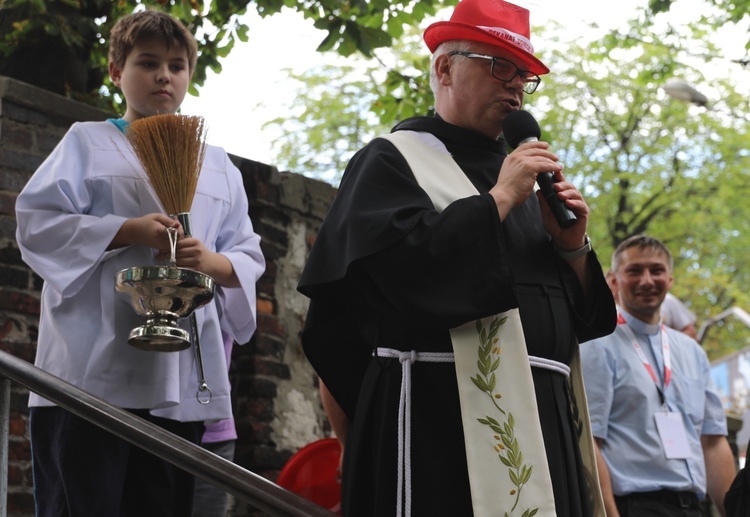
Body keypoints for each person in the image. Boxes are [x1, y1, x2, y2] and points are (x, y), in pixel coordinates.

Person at [297, 0, 617, 515]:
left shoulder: (524, 173)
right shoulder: (393, 159)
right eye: (500, 67)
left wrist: (572, 248)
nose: (515, 85)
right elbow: (397, 281)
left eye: (525, 76)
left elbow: (571, 317)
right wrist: (497, 202)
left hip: (547, 415)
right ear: (444, 68)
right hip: (438, 423)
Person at [15, 10, 265, 516]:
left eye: (176, 65)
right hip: (90, 372)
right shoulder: (86, 143)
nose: (163, 76)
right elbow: (36, 222)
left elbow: (247, 251)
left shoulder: (217, 164)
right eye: (147, 62)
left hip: (181, 380)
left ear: (189, 76)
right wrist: (127, 231)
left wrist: (212, 261)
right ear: (115, 71)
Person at [580, 235, 735, 516]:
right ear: (613, 281)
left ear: (670, 280)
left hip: (693, 507)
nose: (647, 280)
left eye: (657, 270)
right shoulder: (598, 344)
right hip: (635, 506)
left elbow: (713, 440)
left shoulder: (691, 351)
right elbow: (589, 440)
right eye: (634, 270)